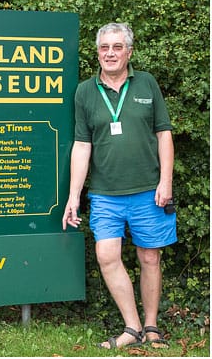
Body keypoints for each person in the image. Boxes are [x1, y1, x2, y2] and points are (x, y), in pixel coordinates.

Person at [62, 22, 177, 349]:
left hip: (148, 191)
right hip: (105, 194)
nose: (109, 53)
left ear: (129, 51)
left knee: (150, 257)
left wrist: (165, 181)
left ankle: (152, 326)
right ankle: (132, 327)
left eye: (116, 47)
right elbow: (82, 146)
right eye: (104, 47)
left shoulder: (147, 84)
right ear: (97, 52)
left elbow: (164, 134)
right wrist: (74, 197)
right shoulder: (85, 91)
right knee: (107, 255)